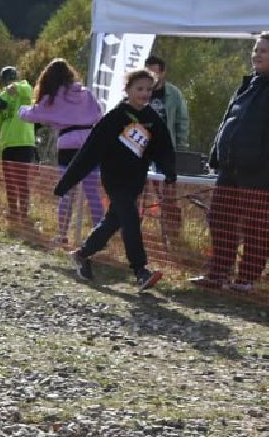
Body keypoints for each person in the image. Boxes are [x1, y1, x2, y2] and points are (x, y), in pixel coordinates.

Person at [193, 32, 269, 292]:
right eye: (255, 50)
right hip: (232, 168)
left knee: (255, 226)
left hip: (261, 172)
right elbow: (231, 120)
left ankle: (246, 279)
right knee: (219, 219)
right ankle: (218, 273)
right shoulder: (251, 83)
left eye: (263, 51)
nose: (256, 55)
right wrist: (218, 154)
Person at [54, 69, 177, 292]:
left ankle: (82, 254)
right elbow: (89, 151)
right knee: (130, 218)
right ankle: (140, 271)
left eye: (149, 89)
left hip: (135, 181)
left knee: (114, 220)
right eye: (139, 89)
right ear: (128, 90)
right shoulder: (114, 117)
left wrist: (169, 172)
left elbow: (163, 149)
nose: (145, 94)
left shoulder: (152, 119)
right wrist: (67, 182)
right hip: (114, 179)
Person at [21, 59, 105, 244]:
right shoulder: (87, 94)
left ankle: (62, 235)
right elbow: (100, 115)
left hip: (68, 145)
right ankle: (101, 237)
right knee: (93, 194)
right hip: (92, 145)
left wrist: (21, 109)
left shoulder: (52, 97)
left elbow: (32, 115)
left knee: (67, 192)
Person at [0, 66, 37, 223]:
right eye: (7, 79)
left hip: (24, 141)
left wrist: (15, 87)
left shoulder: (24, 87)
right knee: (9, 180)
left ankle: (24, 213)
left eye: (12, 78)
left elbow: (29, 91)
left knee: (22, 179)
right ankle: (13, 210)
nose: (9, 82)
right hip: (7, 143)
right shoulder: (2, 95)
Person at [145, 55, 191, 150]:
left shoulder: (174, 94)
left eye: (154, 74)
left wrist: (181, 147)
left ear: (162, 73)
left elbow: (182, 121)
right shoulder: (138, 92)